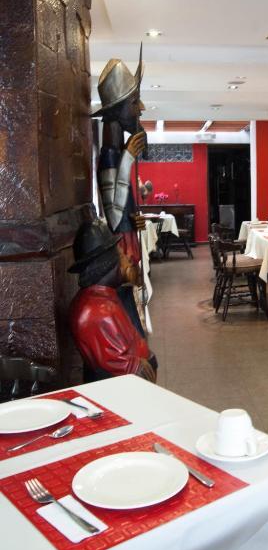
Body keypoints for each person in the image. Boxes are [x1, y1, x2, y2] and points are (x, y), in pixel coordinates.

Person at [91, 51, 148, 334]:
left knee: (132, 302)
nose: (141, 109)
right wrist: (127, 159)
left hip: (127, 239)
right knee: (126, 302)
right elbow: (113, 217)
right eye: (134, 102)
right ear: (118, 110)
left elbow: (122, 209)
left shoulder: (115, 152)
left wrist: (134, 218)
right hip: (120, 245)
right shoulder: (110, 156)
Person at [69, 219, 157, 383]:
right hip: (125, 389)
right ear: (109, 262)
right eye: (121, 255)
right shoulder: (97, 310)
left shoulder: (104, 297)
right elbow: (119, 364)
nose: (127, 258)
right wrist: (139, 366)